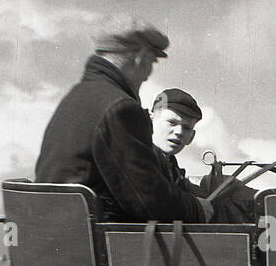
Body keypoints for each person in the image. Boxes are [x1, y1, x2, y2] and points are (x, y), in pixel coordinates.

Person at [35, 18, 213, 222]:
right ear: (141, 57)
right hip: (97, 240)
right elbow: (147, 199)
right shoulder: (121, 108)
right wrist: (196, 208)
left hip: (54, 231)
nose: (147, 76)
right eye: (151, 63)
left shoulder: (75, 96)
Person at [149, 87, 203, 186]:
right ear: (150, 121)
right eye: (172, 122)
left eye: (186, 128)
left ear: (191, 137)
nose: (179, 132)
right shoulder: (138, 159)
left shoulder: (172, 168)